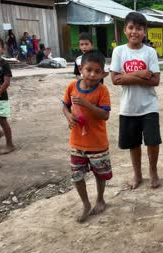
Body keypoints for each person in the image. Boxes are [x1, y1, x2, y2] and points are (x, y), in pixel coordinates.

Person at [110, 12, 162, 189]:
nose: (135, 31)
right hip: (128, 107)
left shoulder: (150, 52)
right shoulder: (119, 51)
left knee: (153, 142)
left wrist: (126, 76)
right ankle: (137, 174)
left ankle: (153, 172)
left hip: (149, 106)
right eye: (131, 27)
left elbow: (155, 80)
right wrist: (139, 74)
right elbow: (115, 80)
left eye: (139, 28)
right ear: (125, 30)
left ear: (145, 32)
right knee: (134, 144)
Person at [62, 50, 112, 223]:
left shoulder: (102, 91)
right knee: (77, 175)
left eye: (97, 72)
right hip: (77, 143)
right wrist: (68, 116)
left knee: (100, 174)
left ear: (103, 73)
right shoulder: (71, 87)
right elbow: (65, 106)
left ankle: (100, 199)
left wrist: (86, 104)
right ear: (80, 68)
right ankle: (85, 203)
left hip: (97, 143)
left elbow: (105, 115)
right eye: (89, 70)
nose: (92, 74)